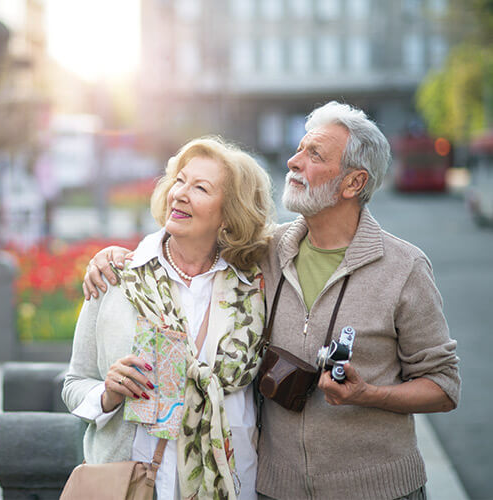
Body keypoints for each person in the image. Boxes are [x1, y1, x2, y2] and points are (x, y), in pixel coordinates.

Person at [82, 102, 461, 500]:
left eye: (314, 155)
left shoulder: (404, 268)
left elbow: (443, 386)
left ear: (353, 184)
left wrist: (369, 395)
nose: (294, 161)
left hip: (379, 491)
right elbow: (188, 246)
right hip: (278, 490)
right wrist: (112, 256)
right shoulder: (263, 252)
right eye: (299, 148)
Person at [62, 137, 275, 500]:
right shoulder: (117, 278)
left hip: (233, 482)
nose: (180, 193)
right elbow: (74, 383)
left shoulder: (255, 289)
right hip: (136, 483)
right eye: (180, 180)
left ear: (229, 213)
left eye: (200, 188)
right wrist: (108, 394)